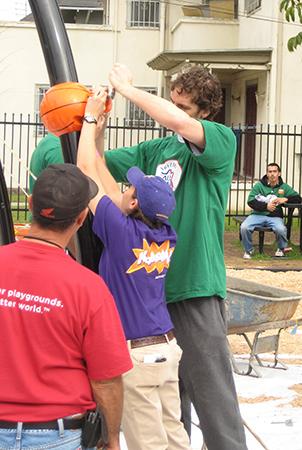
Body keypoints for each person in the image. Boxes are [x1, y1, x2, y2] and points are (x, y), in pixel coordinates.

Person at [104, 64, 248, 450]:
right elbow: (101, 162)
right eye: (173, 100)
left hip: (194, 284)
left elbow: (175, 122)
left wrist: (129, 91)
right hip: (152, 290)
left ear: (204, 111)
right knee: (168, 396)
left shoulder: (218, 141)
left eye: (183, 106)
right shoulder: (156, 149)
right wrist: (94, 120)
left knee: (213, 395)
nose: (173, 110)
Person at [77, 86, 191, 450]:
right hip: (168, 348)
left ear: (134, 202)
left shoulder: (121, 231)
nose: (126, 186)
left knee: (148, 444)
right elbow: (105, 182)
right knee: (175, 436)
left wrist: (90, 117)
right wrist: (97, 135)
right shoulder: (164, 233)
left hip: (139, 357)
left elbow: (84, 172)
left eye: (132, 187)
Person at [0, 163, 133, 450]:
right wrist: (110, 439)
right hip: (58, 434)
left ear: (31, 203)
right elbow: (106, 381)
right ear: (82, 217)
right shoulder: (89, 287)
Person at [241, 162, 302, 259]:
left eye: (274, 171)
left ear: (279, 173)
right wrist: (266, 206)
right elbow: (251, 201)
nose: (272, 174)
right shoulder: (259, 185)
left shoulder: (284, 187)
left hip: (275, 217)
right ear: (267, 173)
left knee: (281, 229)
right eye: (270, 171)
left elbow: (298, 198)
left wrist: (285, 199)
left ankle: (281, 249)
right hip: (257, 215)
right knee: (244, 227)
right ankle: (248, 250)